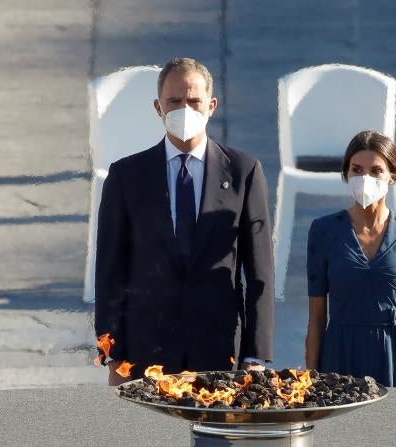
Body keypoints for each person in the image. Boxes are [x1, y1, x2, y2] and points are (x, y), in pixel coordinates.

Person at [94, 57, 274, 385]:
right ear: (158, 107)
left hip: (218, 348)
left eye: (194, 101)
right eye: (174, 101)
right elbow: (109, 271)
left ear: (212, 105)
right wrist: (110, 352)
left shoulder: (243, 172)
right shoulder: (126, 176)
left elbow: (260, 271)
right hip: (146, 349)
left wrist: (255, 355)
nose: (184, 109)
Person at [304, 130, 396, 388]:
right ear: (346, 174)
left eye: (376, 171)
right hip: (340, 356)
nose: (365, 178)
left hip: (393, 354)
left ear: (392, 176)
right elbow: (316, 318)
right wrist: (310, 382)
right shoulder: (324, 231)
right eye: (357, 169)